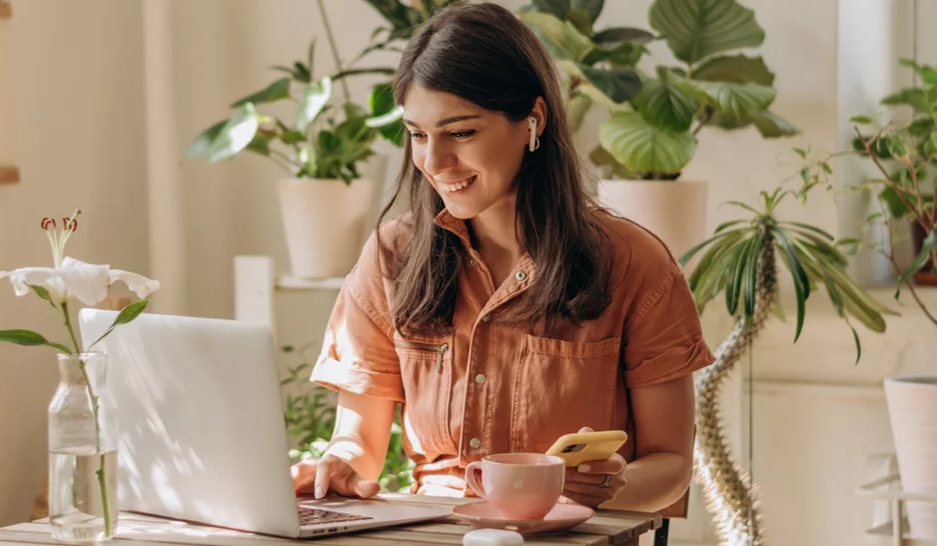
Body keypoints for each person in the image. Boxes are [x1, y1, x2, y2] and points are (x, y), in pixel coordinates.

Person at [290, 2, 715, 514]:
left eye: (461, 132)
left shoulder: (633, 262)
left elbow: (671, 462)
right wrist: (337, 465)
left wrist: (612, 487)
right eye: (418, 135)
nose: (434, 162)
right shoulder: (391, 256)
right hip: (435, 531)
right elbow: (358, 445)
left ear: (532, 120)